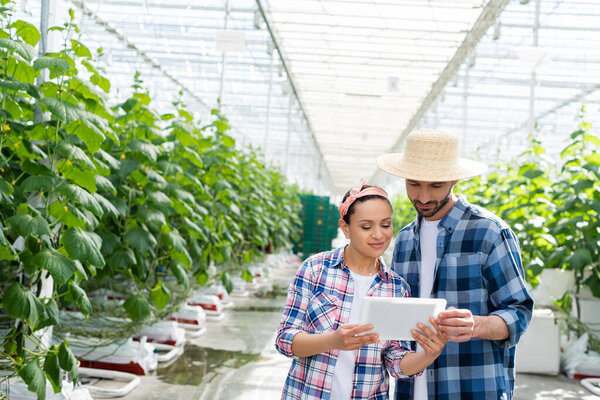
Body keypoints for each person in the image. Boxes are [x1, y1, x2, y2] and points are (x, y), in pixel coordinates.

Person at [376, 129, 534, 400]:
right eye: (414, 184)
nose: (423, 197)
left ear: (455, 179)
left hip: (470, 388)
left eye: (435, 186)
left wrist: (476, 325)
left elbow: (519, 312)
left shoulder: (489, 232)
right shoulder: (403, 240)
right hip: (411, 389)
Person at [275, 179, 447, 399]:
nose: (378, 235)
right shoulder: (315, 270)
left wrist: (428, 355)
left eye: (385, 225)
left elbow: (395, 361)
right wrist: (333, 341)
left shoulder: (396, 288)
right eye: (366, 227)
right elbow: (284, 339)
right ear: (345, 228)